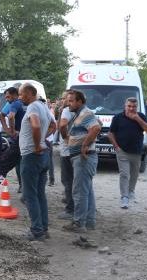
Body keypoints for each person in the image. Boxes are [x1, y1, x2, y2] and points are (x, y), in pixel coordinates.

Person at [18, 83, 56, 241]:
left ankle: (36, 231)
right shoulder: (44, 106)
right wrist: (42, 140)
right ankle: (43, 228)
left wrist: (36, 144)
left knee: (29, 195)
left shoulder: (33, 107)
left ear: (29, 93)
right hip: (42, 155)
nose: (20, 97)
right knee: (40, 194)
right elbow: (53, 125)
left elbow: (35, 125)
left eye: (21, 94)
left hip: (32, 155)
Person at [61, 90, 101, 233]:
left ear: (80, 101)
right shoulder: (80, 114)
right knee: (87, 191)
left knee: (79, 192)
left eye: (71, 100)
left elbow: (96, 128)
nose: (68, 103)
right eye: (67, 100)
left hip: (84, 157)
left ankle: (79, 223)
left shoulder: (86, 113)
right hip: (82, 157)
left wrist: (84, 145)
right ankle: (89, 222)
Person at [108, 97, 147, 209]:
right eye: (129, 106)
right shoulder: (118, 117)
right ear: (125, 106)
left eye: (134, 106)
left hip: (137, 151)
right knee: (124, 174)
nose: (131, 108)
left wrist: (137, 119)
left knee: (134, 174)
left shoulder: (141, 116)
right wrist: (116, 147)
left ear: (136, 107)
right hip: (122, 150)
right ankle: (124, 197)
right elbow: (110, 133)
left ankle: (131, 191)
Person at [0, 86, 25, 193]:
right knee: (17, 162)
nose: (7, 99)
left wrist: (11, 131)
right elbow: (2, 116)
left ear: (14, 95)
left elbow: (11, 116)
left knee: (4, 162)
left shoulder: (16, 103)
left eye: (8, 97)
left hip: (21, 137)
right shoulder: (13, 103)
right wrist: (7, 129)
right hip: (21, 137)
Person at [57, 91, 74, 220]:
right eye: (62, 98)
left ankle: (70, 209)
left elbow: (62, 126)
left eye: (65, 98)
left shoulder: (67, 111)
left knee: (67, 179)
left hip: (68, 151)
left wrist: (66, 138)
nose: (63, 100)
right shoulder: (67, 110)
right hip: (69, 150)